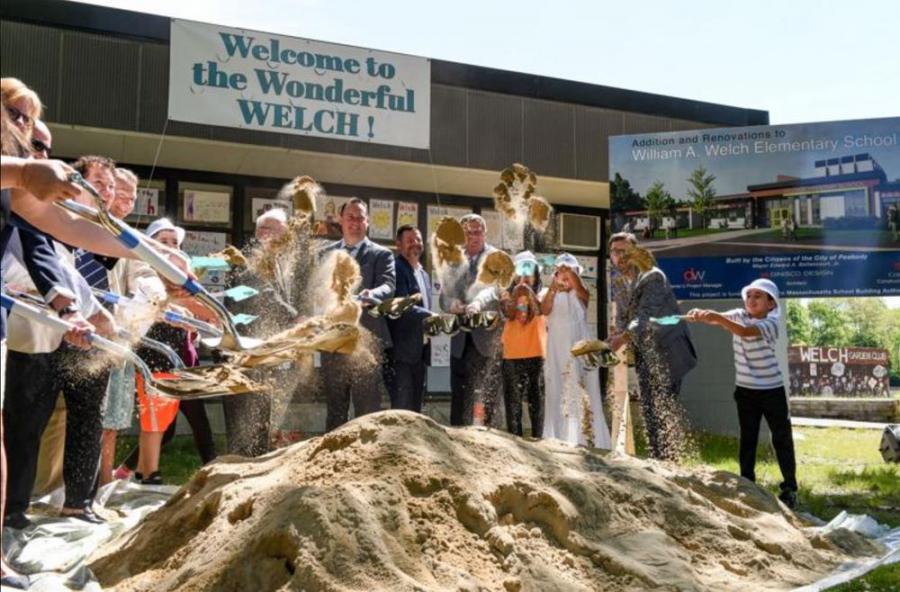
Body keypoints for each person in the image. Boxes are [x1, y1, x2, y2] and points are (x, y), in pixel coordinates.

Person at [686, 279, 799, 508]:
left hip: (772, 390)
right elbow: (718, 318)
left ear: (771, 304)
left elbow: (745, 332)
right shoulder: (738, 314)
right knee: (748, 438)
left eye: (759, 296)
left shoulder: (771, 323)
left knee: (782, 439)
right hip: (746, 391)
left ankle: (789, 488)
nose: (752, 300)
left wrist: (717, 318)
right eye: (749, 295)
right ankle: (747, 483)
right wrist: (702, 314)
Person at [606, 232, 697, 461]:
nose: (620, 256)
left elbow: (643, 317)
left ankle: (670, 467)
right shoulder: (621, 281)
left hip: (668, 352)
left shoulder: (652, 276)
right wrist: (613, 337)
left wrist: (622, 338)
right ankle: (660, 466)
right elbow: (625, 319)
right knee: (650, 413)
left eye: (624, 251)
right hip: (646, 354)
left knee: (662, 411)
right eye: (615, 252)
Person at [221, 207, 297, 456]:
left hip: (261, 357)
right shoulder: (249, 261)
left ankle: (252, 473)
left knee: (260, 423)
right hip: (243, 356)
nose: (286, 240)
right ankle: (234, 477)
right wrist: (298, 319)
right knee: (244, 426)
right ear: (263, 233)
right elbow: (265, 295)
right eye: (281, 233)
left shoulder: (275, 262)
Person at [320, 198, 395, 431]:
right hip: (334, 341)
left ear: (368, 222)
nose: (355, 222)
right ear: (341, 221)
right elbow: (318, 289)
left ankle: (367, 459)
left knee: (367, 407)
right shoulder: (326, 254)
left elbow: (388, 285)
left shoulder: (381, 254)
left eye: (360, 217)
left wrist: (371, 294)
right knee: (335, 407)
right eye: (350, 217)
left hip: (367, 339)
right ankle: (332, 457)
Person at [541, 253, 611, 448]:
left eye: (569, 273)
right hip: (556, 350)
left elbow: (581, 290)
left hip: (578, 350)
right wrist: (554, 288)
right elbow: (544, 310)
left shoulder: (580, 293)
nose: (564, 278)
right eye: (560, 273)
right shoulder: (551, 293)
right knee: (557, 388)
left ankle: (585, 435)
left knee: (580, 387)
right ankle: (559, 435)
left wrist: (568, 271)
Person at [439, 213, 503, 426]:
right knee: (459, 397)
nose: (473, 236)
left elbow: (494, 290)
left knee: (485, 398)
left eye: (477, 232)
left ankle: (485, 443)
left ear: (484, 233)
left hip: (485, 340)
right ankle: (456, 443)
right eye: (468, 232)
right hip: (459, 341)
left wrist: (478, 304)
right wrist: (452, 305)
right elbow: (443, 297)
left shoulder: (495, 257)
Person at [499, 251, 546, 437]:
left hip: (536, 353)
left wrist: (528, 293)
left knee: (537, 401)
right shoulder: (505, 293)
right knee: (513, 403)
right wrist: (517, 292)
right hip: (511, 355)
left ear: (536, 274)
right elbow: (509, 314)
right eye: (521, 272)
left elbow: (540, 310)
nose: (525, 277)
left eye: (529, 272)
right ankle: (514, 441)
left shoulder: (544, 292)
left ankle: (538, 439)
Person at [387, 225, 433, 413]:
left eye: (419, 240)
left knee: (415, 407)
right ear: (398, 245)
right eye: (410, 241)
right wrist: (431, 316)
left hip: (420, 350)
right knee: (402, 407)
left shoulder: (424, 274)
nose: (415, 244)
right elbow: (402, 304)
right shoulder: (396, 268)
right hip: (401, 353)